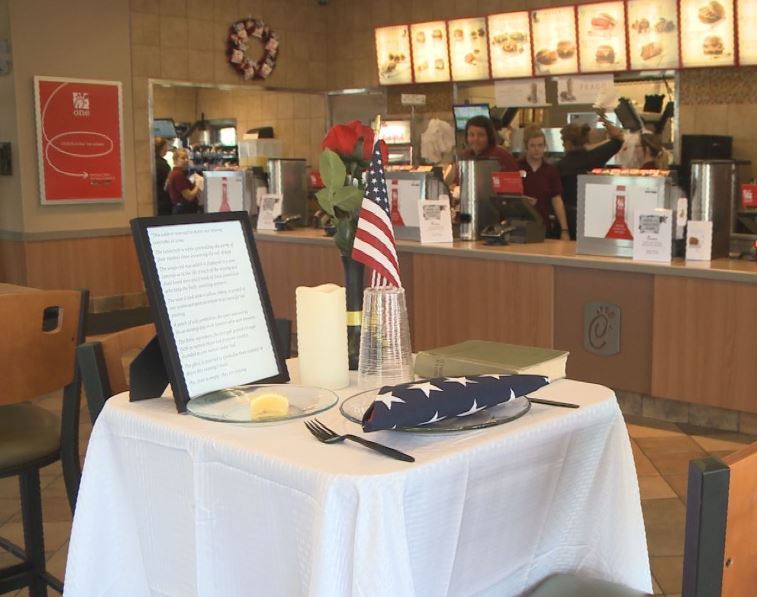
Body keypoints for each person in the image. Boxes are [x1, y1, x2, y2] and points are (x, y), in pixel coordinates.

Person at [557, 117, 625, 239]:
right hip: (594, 215)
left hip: (569, 217)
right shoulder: (596, 157)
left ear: (568, 144)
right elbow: (618, 139)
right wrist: (606, 122)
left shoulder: (560, 165)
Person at [518, 126, 570, 241]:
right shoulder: (516, 167)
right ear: (526, 146)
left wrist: (564, 230)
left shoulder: (550, 171)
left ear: (544, 146)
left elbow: (557, 200)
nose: (537, 149)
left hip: (543, 228)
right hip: (519, 227)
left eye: (540, 145)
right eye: (533, 145)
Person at [166, 148, 202, 214]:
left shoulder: (176, 173)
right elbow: (189, 196)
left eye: (187, 158)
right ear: (175, 160)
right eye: (183, 158)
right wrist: (198, 184)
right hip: (184, 211)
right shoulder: (178, 174)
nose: (186, 160)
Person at [154, 137, 172, 216]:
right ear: (162, 148)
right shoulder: (163, 165)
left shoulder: (151, 162)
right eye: (166, 146)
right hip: (163, 200)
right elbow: (168, 184)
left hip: (156, 199)